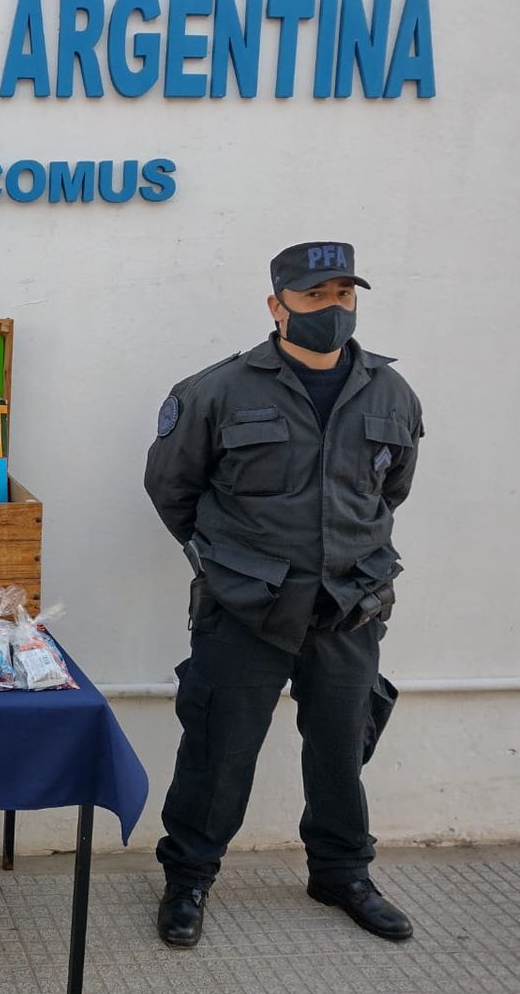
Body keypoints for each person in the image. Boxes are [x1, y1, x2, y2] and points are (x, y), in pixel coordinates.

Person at [144, 241, 424, 948]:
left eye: (343, 295)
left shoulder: (391, 393)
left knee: (340, 745)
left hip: (348, 604)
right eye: (315, 296)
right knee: (219, 746)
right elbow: (172, 490)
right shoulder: (215, 391)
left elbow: (390, 490)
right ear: (276, 306)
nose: (332, 309)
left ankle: (341, 872)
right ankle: (190, 877)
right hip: (246, 606)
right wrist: (231, 563)